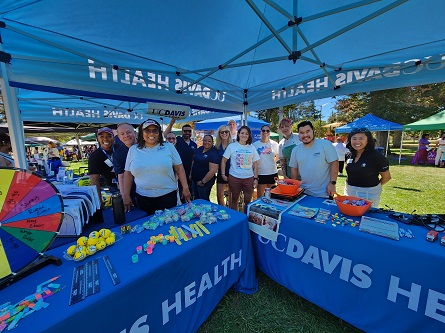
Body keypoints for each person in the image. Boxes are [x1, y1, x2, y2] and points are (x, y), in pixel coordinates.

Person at [122, 119, 191, 215]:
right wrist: (125, 194)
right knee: (148, 226)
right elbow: (128, 173)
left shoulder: (168, 147)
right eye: (147, 130)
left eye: (155, 130)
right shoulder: (133, 150)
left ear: (159, 133)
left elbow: (179, 168)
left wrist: (185, 188)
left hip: (168, 196)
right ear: (142, 133)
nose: (151, 133)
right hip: (143, 198)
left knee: (169, 226)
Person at [290, 120, 339, 198]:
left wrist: (332, 183)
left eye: (308, 131)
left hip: (324, 193)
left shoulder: (325, 144)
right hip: (303, 192)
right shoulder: (295, 150)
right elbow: (294, 168)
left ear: (313, 131)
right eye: (302, 133)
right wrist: (294, 186)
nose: (305, 135)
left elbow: (334, 163)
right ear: (298, 135)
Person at [344, 128, 391, 207]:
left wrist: (374, 189)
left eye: (361, 138)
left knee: (365, 216)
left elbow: (386, 177)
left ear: (368, 140)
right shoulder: (349, 155)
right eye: (354, 138)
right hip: (349, 191)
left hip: (368, 194)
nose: (357, 142)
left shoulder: (376, 156)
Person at [221, 126, 260, 211]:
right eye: (242, 133)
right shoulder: (232, 146)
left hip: (249, 178)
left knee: (247, 201)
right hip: (234, 177)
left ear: (249, 135)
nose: (244, 135)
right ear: (238, 134)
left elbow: (255, 164)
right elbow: (223, 160)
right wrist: (223, 174)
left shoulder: (251, 147)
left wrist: (256, 178)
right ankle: (236, 219)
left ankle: (245, 218)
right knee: (234, 200)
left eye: (246, 134)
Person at [164, 118, 197, 200]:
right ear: (182, 132)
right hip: (178, 172)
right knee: (179, 192)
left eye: (189, 131)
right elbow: (166, 135)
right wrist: (171, 124)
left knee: (189, 193)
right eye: (185, 131)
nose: (187, 133)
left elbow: (194, 159)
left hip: (189, 173)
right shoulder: (177, 140)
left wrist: (192, 173)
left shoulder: (194, 144)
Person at [88, 127, 120, 204]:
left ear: (114, 137)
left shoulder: (120, 148)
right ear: (98, 139)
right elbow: (94, 180)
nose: (105, 139)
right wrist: (99, 200)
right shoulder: (95, 156)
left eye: (109, 136)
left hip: (128, 185)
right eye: (102, 137)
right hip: (111, 189)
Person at [113, 123, 137, 204]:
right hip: (133, 192)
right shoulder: (118, 154)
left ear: (135, 133)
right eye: (122, 134)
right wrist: (124, 196)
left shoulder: (146, 146)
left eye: (128, 132)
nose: (126, 135)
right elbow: (121, 175)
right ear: (119, 138)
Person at [253, 124, 279, 197]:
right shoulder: (255, 145)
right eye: (263, 130)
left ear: (269, 132)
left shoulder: (275, 144)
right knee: (260, 196)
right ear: (260, 132)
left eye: (267, 131)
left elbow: (278, 156)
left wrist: (272, 162)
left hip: (272, 173)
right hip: (261, 173)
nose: (265, 132)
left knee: (272, 195)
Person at [190, 134, 219, 201]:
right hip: (195, 179)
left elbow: (213, 171)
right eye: (205, 140)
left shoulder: (213, 153)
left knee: (203, 200)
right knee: (196, 199)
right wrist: (191, 174)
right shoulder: (200, 149)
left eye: (209, 141)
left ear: (212, 142)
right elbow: (193, 161)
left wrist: (203, 182)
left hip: (205, 182)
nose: (206, 142)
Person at [215, 125, 231, 205]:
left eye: (226, 132)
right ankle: (223, 212)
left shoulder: (233, 145)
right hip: (221, 173)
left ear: (229, 133)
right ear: (219, 134)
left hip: (232, 172)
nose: (224, 133)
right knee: (219, 195)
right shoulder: (217, 146)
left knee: (231, 196)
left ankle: (232, 213)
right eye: (222, 132)